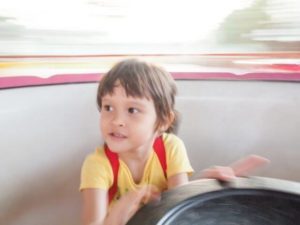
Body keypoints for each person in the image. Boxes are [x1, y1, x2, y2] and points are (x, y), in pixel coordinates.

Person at [80, 58, 269, 225]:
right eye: (108, 107)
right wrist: (124, 206)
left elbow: (178, 203)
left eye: (132, 110)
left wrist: (205, 184)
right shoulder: (97, 164)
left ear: (163, 121)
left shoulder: (171, 148)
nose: (116, 120)